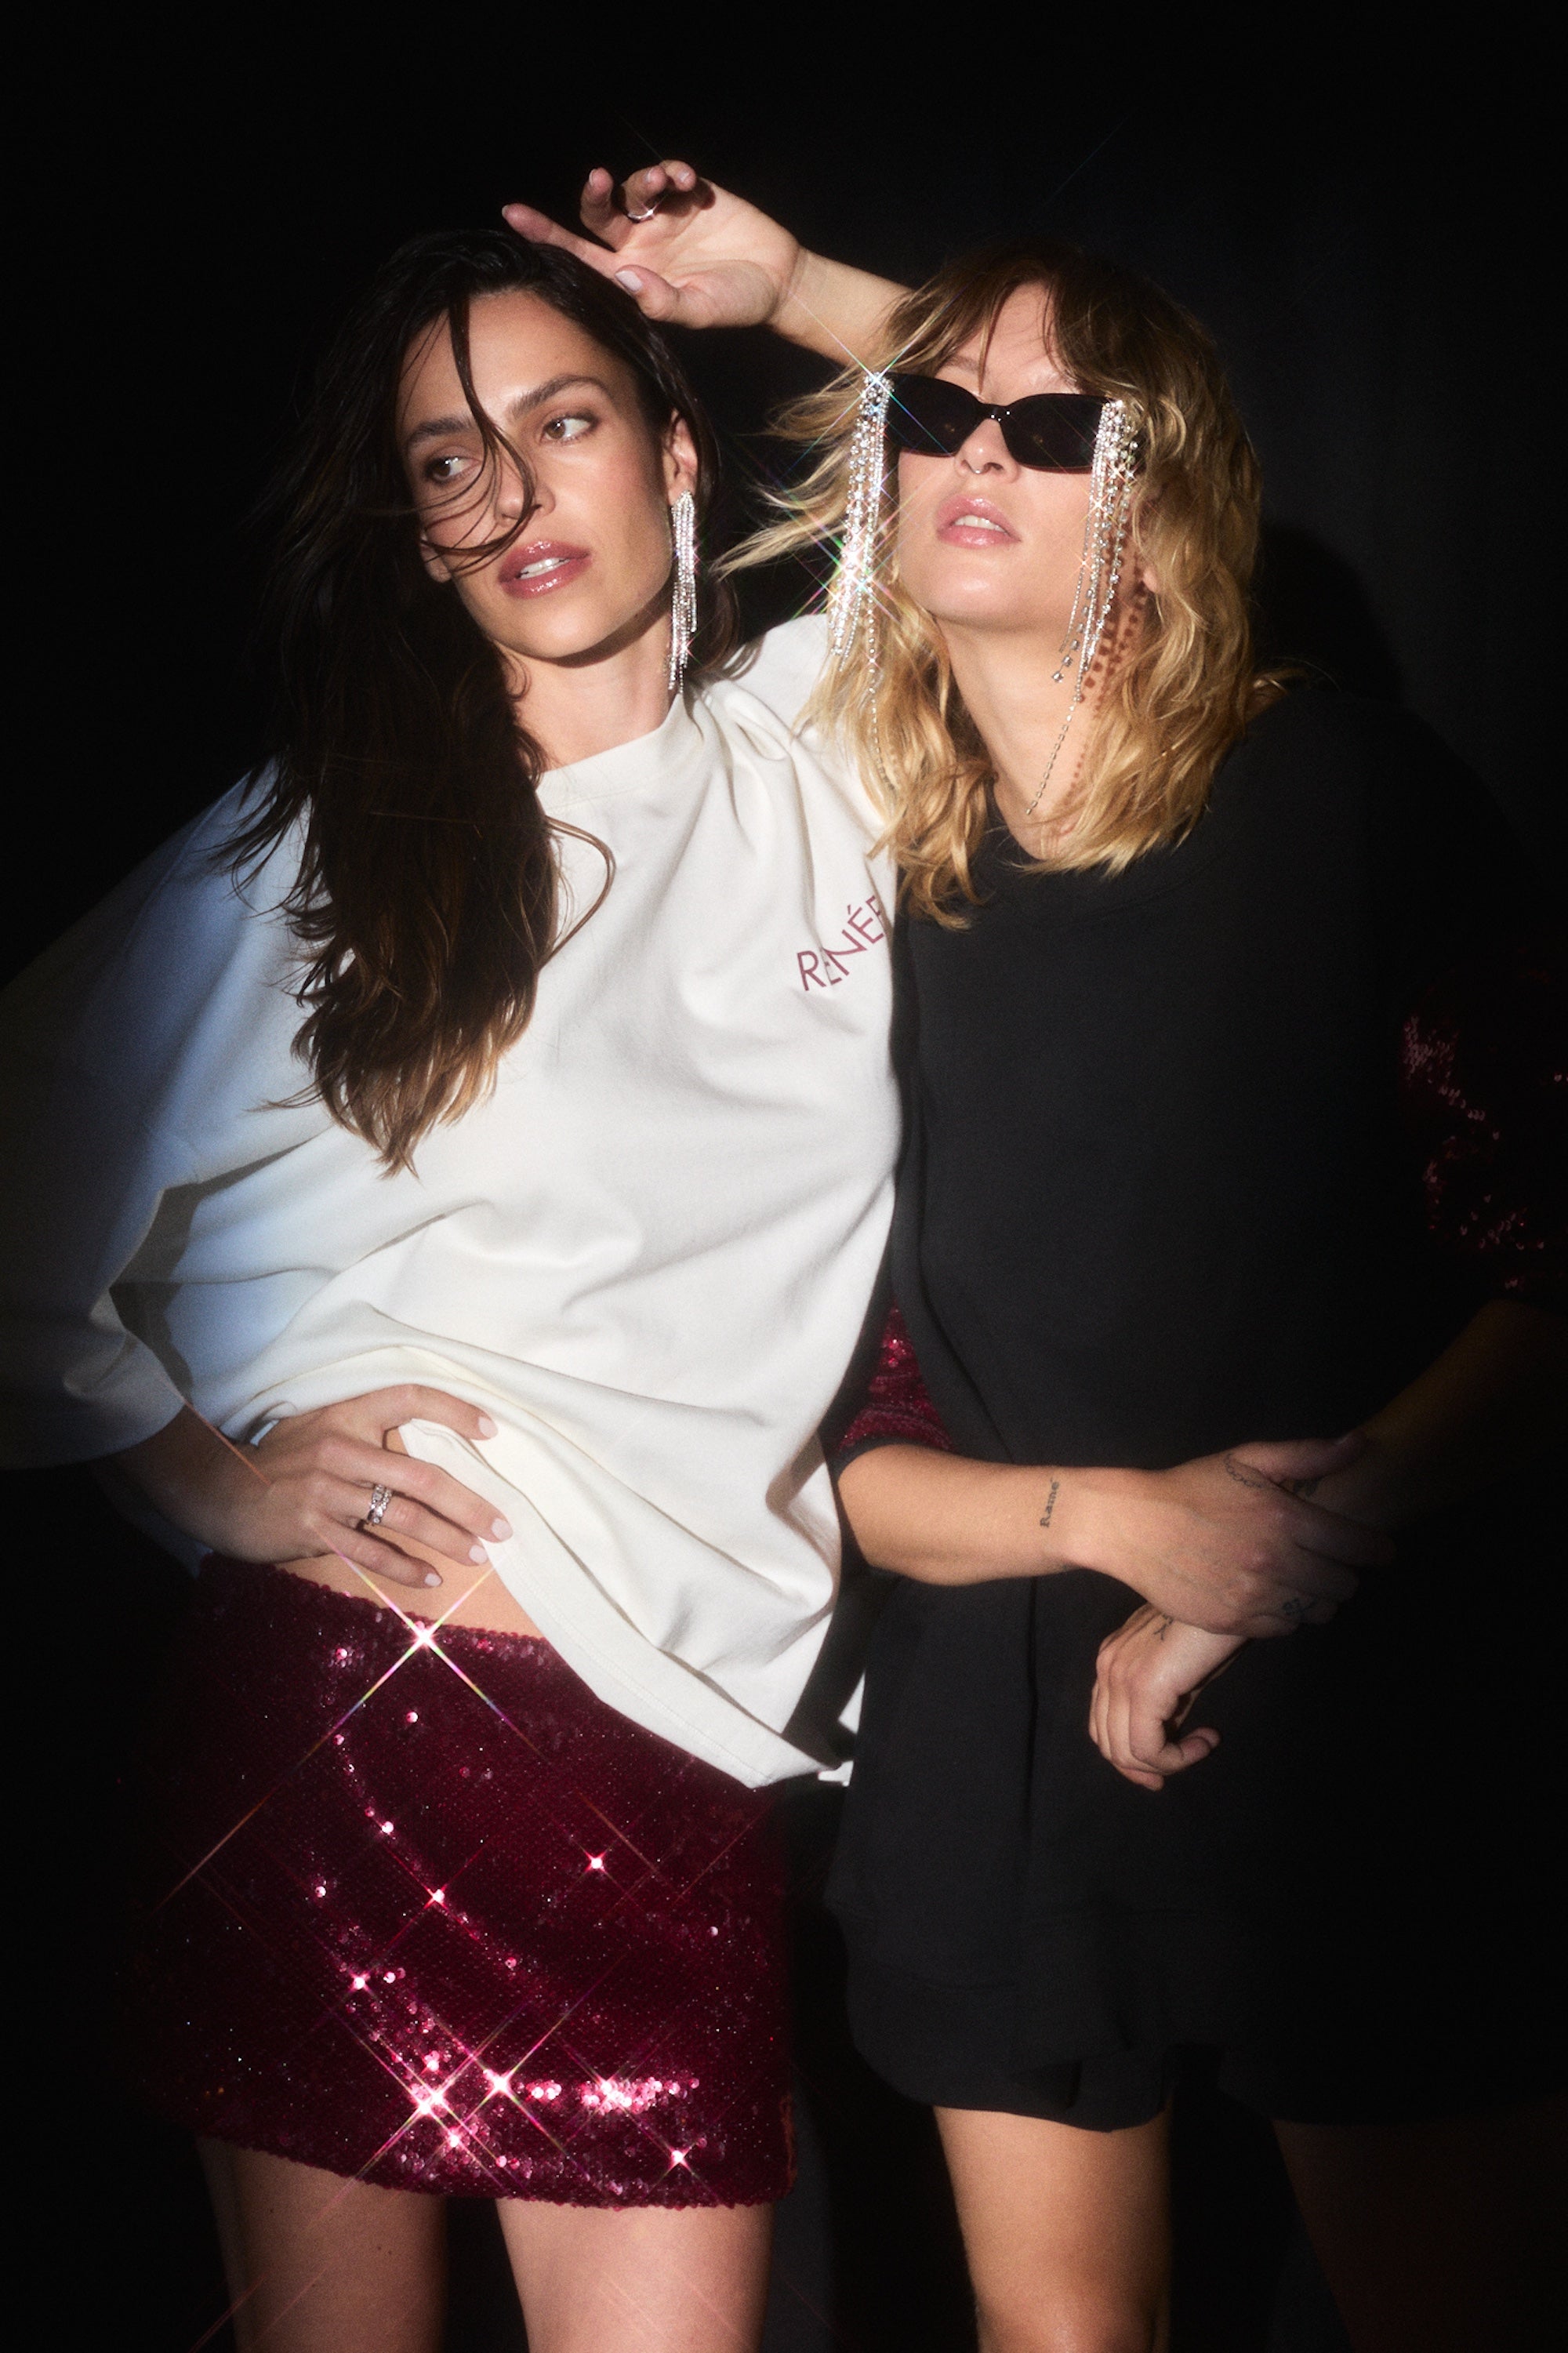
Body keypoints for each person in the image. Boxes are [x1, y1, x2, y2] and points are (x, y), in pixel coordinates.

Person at [507, 168, 1568, 2353]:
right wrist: (1118, 1529)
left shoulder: (1342, 797)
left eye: (1058, 430)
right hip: (993, 1716)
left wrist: (1263, 1557)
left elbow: (1553, 1262)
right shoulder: (852, 870)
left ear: (1157, 504)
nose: (980, 453)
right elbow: (830, 1421)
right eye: (939, 419)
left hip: (1363, 1699)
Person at [0, 227, 912, 2353]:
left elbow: (1085, 454)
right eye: (444, 463)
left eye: (563, 422)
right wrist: (197, 1476)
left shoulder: (822, 744)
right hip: (346, 1721)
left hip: (679, 1757)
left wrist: (789, 281)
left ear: (676, 453)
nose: (509, 495)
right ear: (414, 536)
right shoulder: (326, 845)